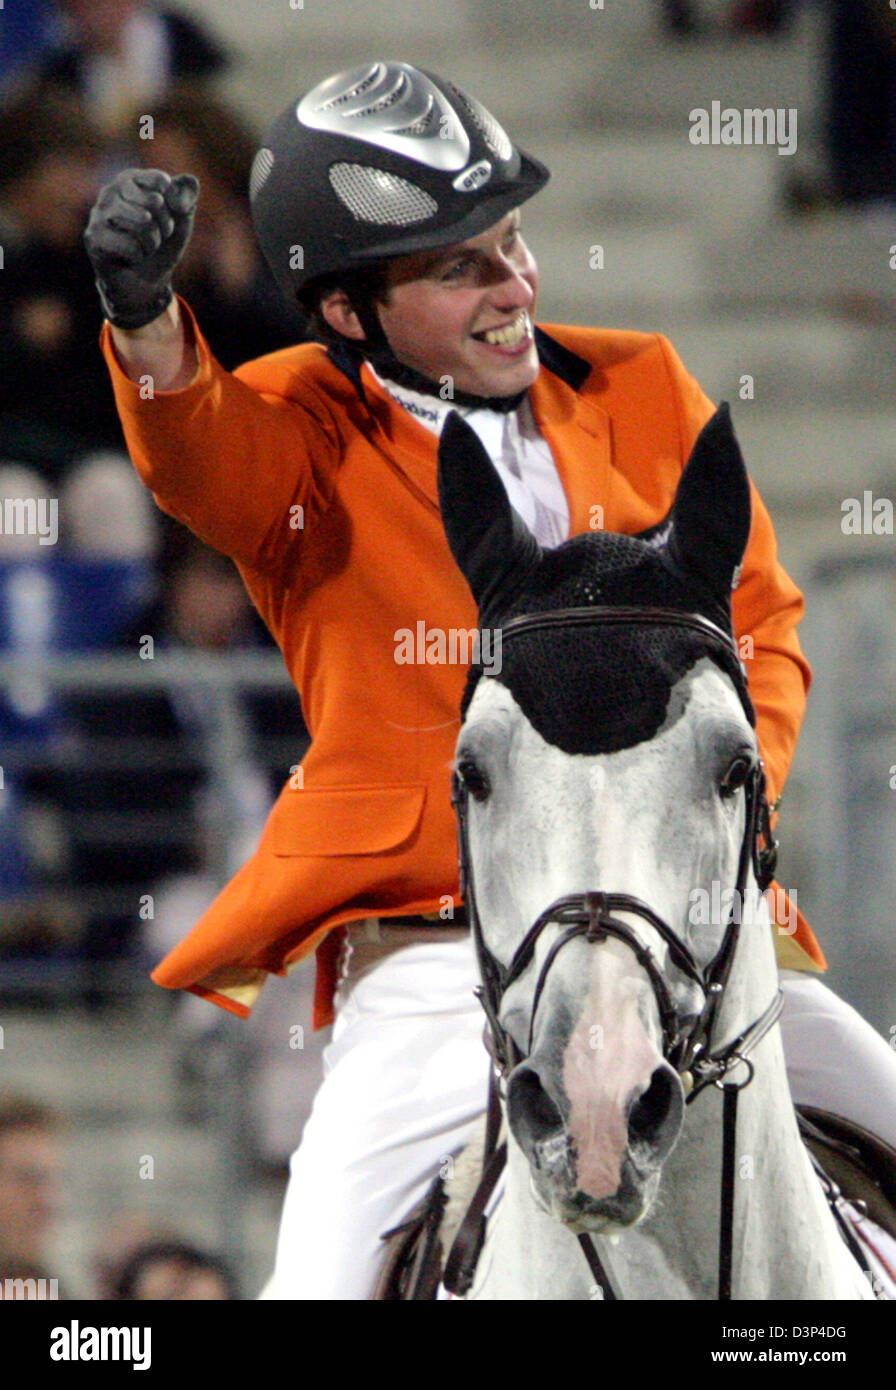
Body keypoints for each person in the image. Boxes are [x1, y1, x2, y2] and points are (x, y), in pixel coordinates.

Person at [84, 59, 896, 1298]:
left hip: (689, 936)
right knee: (314, 1279)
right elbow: (197, 457)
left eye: (511, 244)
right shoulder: (299, 429)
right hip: (436, 955)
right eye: (460, 266)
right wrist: (146, 324)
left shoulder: (643, 389)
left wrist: (729, 793)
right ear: (349, 312)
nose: (515, 286)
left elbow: (761, 626)